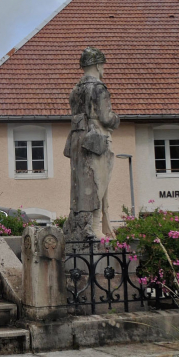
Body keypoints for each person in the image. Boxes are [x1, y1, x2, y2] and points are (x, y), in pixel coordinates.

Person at [63, 46, 120, 240]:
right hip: (96, 139)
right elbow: (105, 117)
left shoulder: (75, 90)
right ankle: (95, 227)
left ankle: (87, 225)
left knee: (81, 185)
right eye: (102, 64)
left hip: (77, 138)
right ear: (97, 64)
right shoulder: (98, 88)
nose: (103, 68)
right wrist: (116, 119)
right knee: (98, 183)